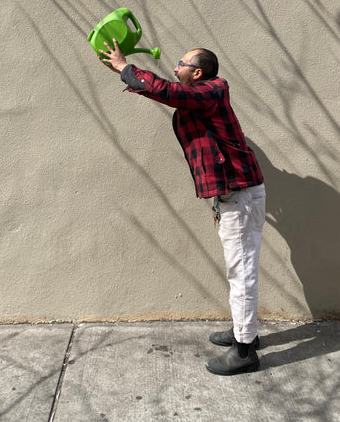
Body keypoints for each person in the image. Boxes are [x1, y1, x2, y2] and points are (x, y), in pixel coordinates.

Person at [99, 38, 266, 375]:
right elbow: (170, 93)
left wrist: (126, 69)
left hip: (240, 196)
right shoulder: (200, 100)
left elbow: (169, 92)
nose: (175, 68)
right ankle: (241, 332)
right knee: (239, 269)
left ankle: (245, 351)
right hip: (233, 195)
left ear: (199, 72)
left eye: (181, 64)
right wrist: (131, 78)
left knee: (241, 272)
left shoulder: (213, 89)